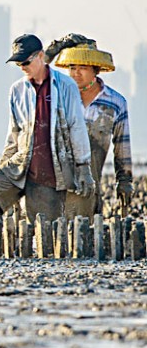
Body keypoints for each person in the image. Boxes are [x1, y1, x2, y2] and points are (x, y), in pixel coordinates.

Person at [0, 34, 95, 223]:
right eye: (19, 64)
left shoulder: (65, 86)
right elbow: (14, 133)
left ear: (40, 56)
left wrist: (83, 167)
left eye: (26, 62)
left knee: (44, 226)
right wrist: (3, 164)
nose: (23, 68)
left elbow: (76, 127)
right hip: (18, 166)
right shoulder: (17, 90)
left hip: (48, 171)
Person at [48, 35, 133, 216]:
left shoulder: (116, 103)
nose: (76, 73)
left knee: (81, 236)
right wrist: (52, 50)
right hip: (52, 187)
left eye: (83, 68)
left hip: (87, 188)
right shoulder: (56, 97)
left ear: (96, 71)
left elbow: (122, 148)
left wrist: (124, 182)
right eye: (72, 67)